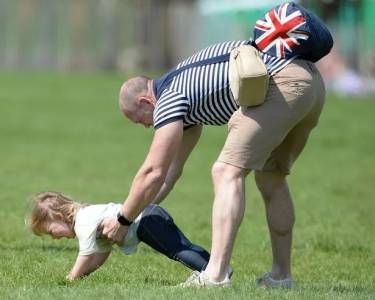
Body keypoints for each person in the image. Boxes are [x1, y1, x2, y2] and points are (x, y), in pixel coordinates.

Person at [101, 2, 332, 288]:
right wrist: (132, 216)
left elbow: (153, 171)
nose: (147, 126)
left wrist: (122, 220)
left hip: (283, 83)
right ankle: (281, 277)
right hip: (311, 84)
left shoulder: (169, 98)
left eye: (140, 120)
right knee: (271, 177)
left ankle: (215, 275)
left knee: (225, 172)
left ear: (146, 102)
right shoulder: (184, 97)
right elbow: (170, 175)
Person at [28, 191, 211, 281]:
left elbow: (85, 255)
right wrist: (85, 275)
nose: (54, 238)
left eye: (52, 232)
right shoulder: (87, 218)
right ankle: (216, 267)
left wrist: (71, 278)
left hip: (147, 221)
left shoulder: (83, 222)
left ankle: (210, 272)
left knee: (177, 251)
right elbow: (101, 253)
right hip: (150, 215)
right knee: (182, 246)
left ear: (59, 217)